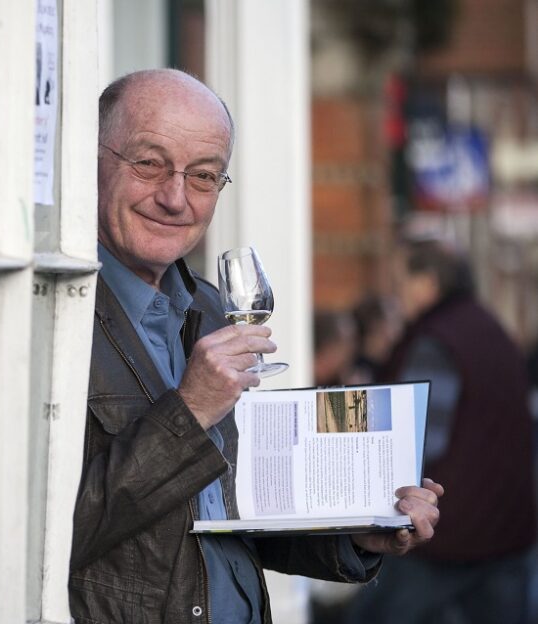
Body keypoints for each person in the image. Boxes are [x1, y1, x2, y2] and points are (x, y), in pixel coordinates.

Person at [70, 68, 444, 623]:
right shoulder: (61, 316)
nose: (175, 198)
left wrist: (361, 535)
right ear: (90, 157)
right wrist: (191, 409)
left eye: (202, 176)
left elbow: (235, 519)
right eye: (149, 163)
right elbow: (50, 533)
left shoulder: (208, 309)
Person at [344, 238, 536, 624]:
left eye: (401, 282)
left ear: (427, 283)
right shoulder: (487, 325)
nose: (396, 295)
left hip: (448, 534)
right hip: (507, 526)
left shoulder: (436, 341)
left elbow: (417, 439)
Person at [313, 309, 358, 387]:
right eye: (344, 348)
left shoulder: (337, 380)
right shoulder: (297, 379)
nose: (348, 357)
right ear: (328, 348)